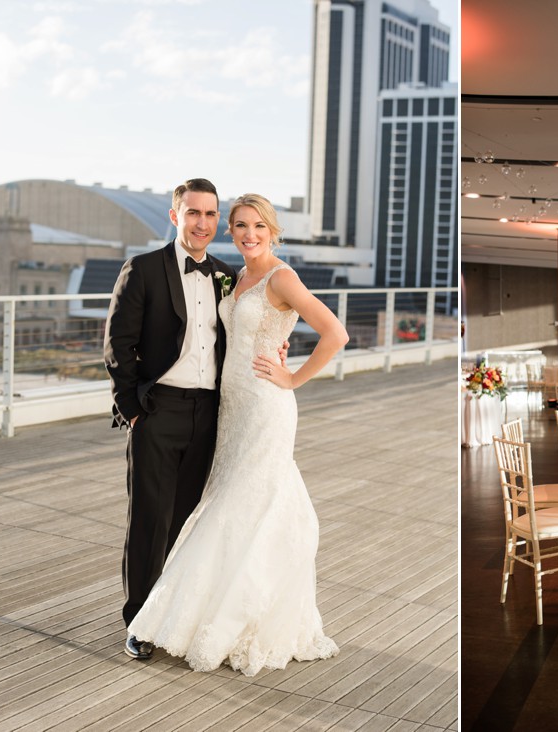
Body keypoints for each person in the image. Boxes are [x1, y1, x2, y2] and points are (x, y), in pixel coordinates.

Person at [126, 193, 348, 676]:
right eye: (241, 226)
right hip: (230, 409)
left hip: (266, 406)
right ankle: (201, 611)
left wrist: (291, 377)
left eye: (258, 227)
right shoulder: (235, 275)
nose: (249, 234)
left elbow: (335, 333)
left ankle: (232, 619)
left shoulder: (281, 276)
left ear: (273, 231)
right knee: (229, 504)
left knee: (242, 507)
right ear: (231, 230)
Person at [105, 178, 236, 661]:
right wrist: (134, 411)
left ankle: (175, 617)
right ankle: (139, 620)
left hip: (211, 413)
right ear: (174, 214)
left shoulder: (227, 275)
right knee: (149, 522)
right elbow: (118, 346)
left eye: (210, 214)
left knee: (188, 523)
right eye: (193, 213)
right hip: (158, 411)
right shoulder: (141, 270)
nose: (203, 223)